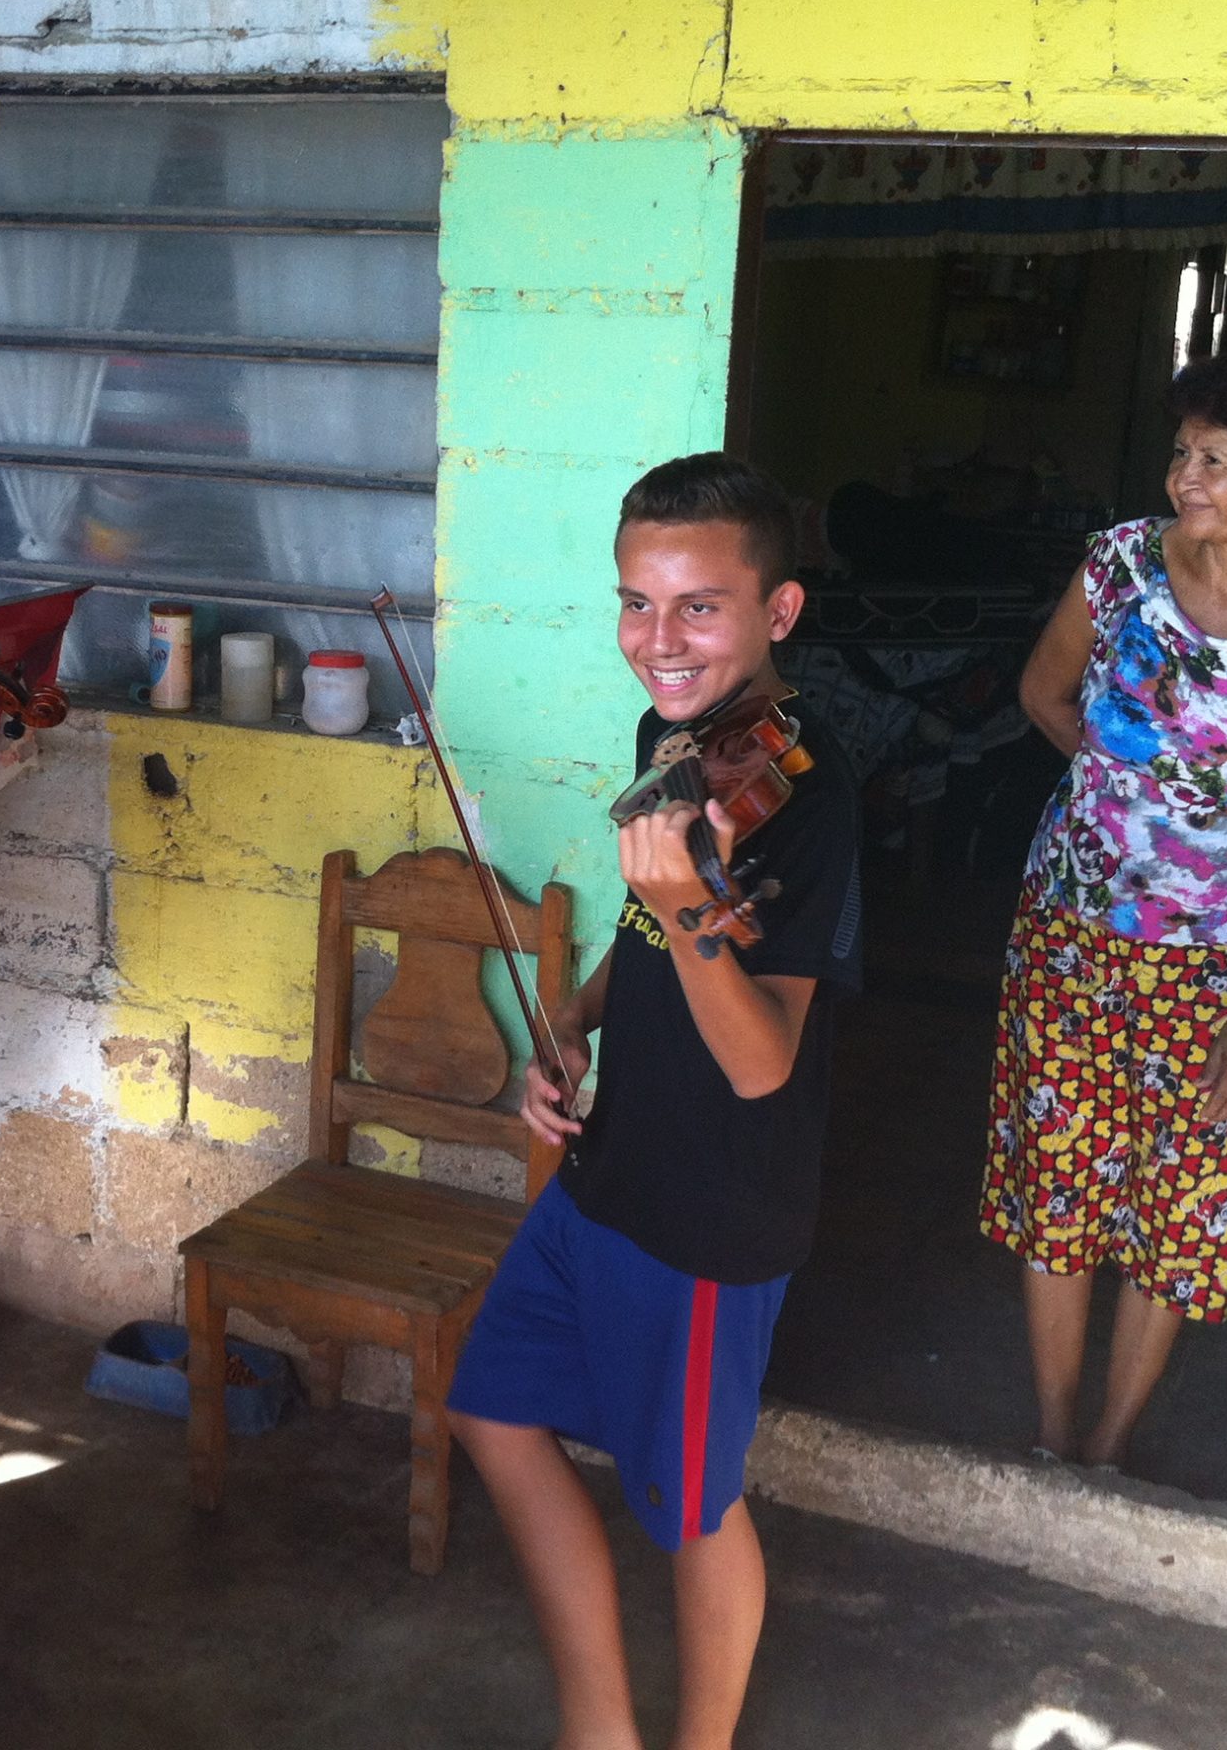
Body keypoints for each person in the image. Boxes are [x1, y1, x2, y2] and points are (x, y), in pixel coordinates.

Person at [447, 454, 864, 1749]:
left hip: (708, 1214)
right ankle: (601, 1726)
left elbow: (760, 1061)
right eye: (638, 602)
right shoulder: (673, 741)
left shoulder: (811, 796)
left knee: (690, 1507)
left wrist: (693, 900)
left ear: (777, 613)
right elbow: (642, 934)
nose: (658, 641)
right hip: (613, 1167)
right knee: (493, 1408)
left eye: (699, 608)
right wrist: (566, 1029)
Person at [980, 343, 1227, 1472]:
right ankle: (1053, 1434)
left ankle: (1108, 1443)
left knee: (1181, 1197)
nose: (1184, 477)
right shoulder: (1118, 566)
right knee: (1060, 1180)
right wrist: (1137, 802)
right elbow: (1039, 690)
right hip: (1072, 932)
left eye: (1215, 458)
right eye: (1179, 453)